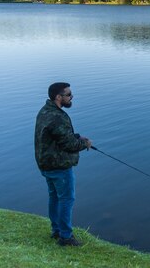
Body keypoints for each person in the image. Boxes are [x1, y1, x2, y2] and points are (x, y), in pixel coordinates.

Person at [34, 82, 92, 247]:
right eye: (68, 95)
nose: (71, 97)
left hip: (45, 164)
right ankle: (65, 237)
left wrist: (77, 136)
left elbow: (59, 136)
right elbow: (69, 145)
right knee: (66, 199)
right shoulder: (58, 117)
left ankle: (57, 230)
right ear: (58, 97)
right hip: (58, 166)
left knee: (54, 197)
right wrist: (85, 143)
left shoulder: (45, 111)